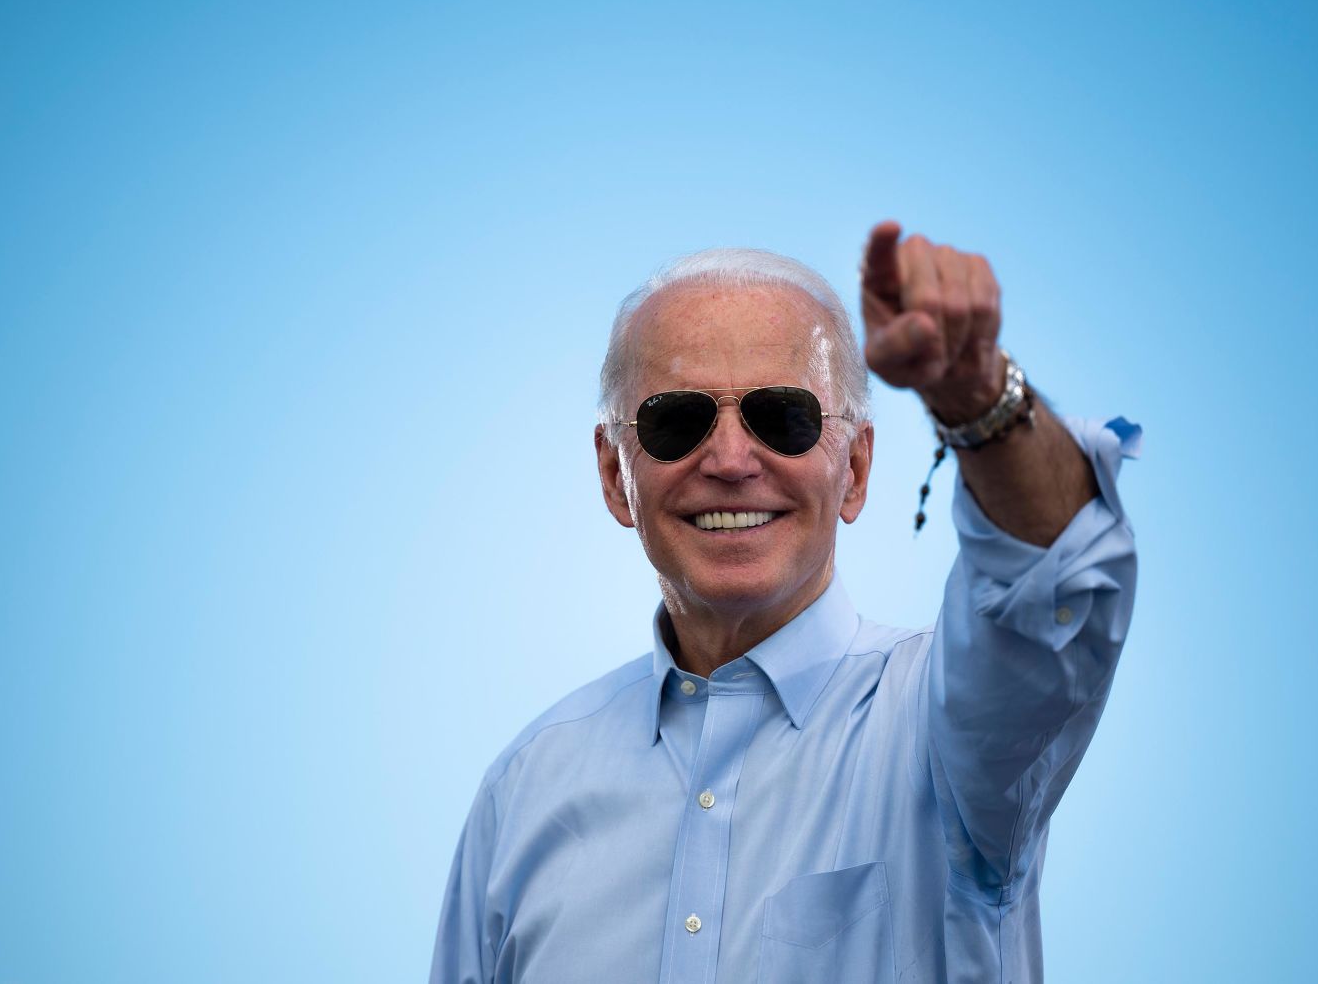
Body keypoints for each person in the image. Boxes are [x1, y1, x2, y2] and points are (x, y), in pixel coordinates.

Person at [429, 221, 1141, 983]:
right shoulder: (526, 790)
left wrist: (978, 399)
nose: (732, 460)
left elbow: (1055, 580)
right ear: (614, 475)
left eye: (785, 417)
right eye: (677, 420)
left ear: (856, 469)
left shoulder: (946, 737)